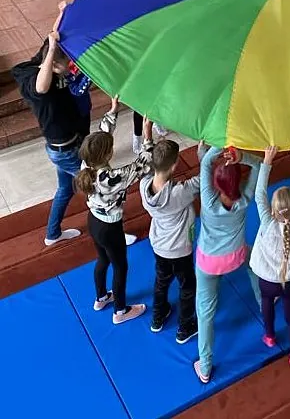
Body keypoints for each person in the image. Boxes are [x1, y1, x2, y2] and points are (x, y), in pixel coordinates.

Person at [12, 21, 90, 246]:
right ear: (54, 64)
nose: (71, 68)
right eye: (68, 65)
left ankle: (52, 234)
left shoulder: (44, 58)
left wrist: (62, 14)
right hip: (65, 150)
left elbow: (51, 38)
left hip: (66, 145)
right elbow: (41, 87)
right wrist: (53, 54)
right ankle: (113, 233)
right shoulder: (33, 81)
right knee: (100, 188)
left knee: (65, 189)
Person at [75, 107, 153, 324]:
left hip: (94, 221)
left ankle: (100, 297)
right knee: (121, 266)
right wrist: (147, 136)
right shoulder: (112, 178)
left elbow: (100, 136)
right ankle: (120, 311)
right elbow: (142, 166)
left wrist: (113, 111)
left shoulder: (86, 164)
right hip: (110, 228)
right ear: (108, 154)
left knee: (102, 259)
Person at [194, 145, 261, 384]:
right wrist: (243, 157)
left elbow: (204, 165)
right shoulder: (245, 198)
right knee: (254, 264)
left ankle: (205, 366)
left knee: (205, 313)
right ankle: (265, 304)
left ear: (216, 184)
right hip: (236, 256)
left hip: (209, 264)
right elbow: (260, 165)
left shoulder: (209, 202)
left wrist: (213, 148)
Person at [250, 144, 290, 368]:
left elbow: (259, 194)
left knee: (266, 302)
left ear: (273, 211)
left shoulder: (268, 222)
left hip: (268, 280)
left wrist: (267, 161)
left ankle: (270, 336)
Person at [140, 139, 204, 343]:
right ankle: (185, 327)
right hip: (179, 250)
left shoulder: (144, 185)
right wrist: (202, 156)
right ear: (175, 164)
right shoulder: (179, 193)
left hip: (159, 245)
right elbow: (203, 180)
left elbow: (146, 163)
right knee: (187, 286)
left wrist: (147, 136)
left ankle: (157, 317)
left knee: (161, 280)